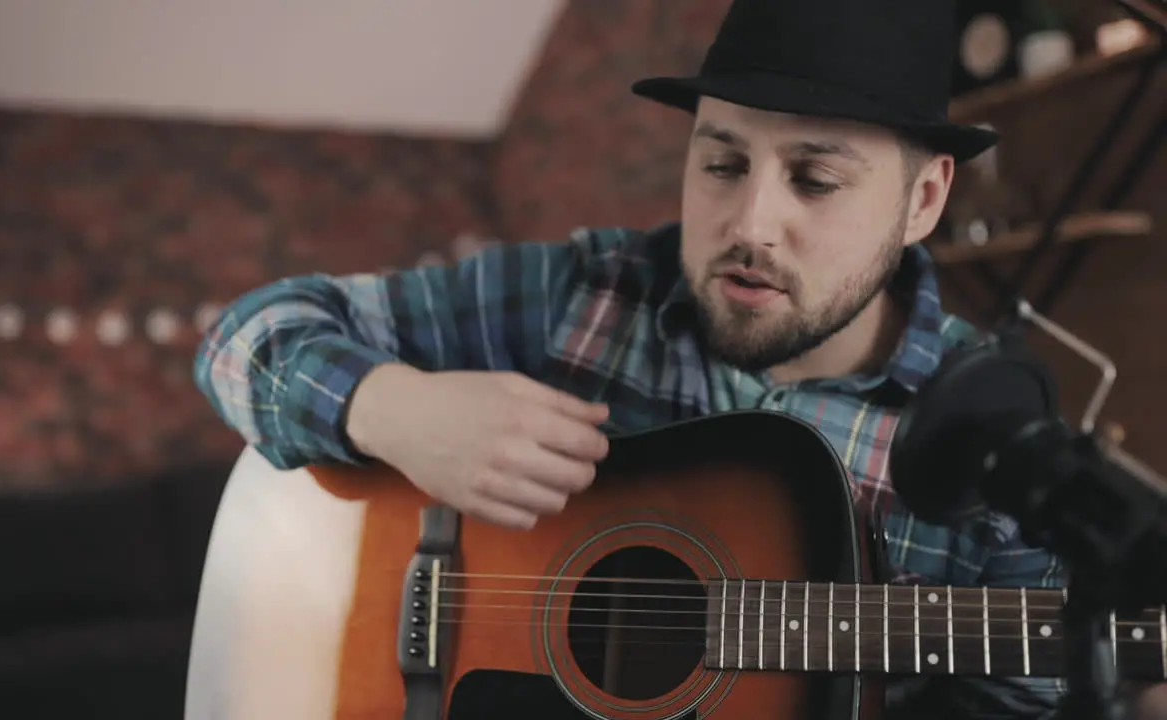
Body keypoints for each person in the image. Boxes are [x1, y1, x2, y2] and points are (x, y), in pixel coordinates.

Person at [191, 0, 1164, 717]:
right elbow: (241, 338)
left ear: (922, 201)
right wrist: (394, 409)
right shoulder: (587, 293)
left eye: (815, 179)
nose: (749, 224)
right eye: (721, 160)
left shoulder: (991, 448)